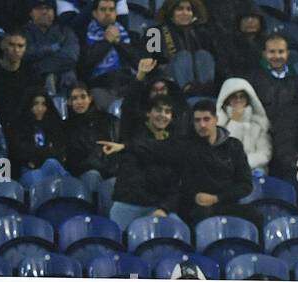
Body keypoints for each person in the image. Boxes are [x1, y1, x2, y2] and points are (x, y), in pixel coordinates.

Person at [99, 94, 183, 232]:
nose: (163, 115)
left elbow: (175, 184)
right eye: (158, 110)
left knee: (180, 232)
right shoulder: (133, 133)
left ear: (172, 117)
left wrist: (164, 208)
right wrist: (140, 77)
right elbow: (129, 106)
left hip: (157, 207)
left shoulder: (174, 144)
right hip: (128, 205)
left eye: (167, 112)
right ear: (148, 112)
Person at [177, 102, 259, 230]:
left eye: (206, 119)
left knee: (255, 215)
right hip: (199, 206)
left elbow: (245, 185)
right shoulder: (187, 148)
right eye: (197, 120)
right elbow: (185, 185)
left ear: (216, 119)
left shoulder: (234, 146)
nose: (202, 125)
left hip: (227, 203)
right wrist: (198, 197)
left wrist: (216, 198)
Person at [78, 0, 140, 108]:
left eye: (111, 9)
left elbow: (139, 63)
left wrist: (118, 43)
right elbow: (84, 63)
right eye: (103, 9)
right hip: (100, 85)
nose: (107, 13)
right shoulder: (83, 34)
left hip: (127, 83)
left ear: (116, 13)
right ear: (94, 13)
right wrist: (106, 42)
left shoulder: (130, 35)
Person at [61, 82, 118, 187]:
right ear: (69, 102)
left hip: (108, 171)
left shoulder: (108, 120)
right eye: (74, 98)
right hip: (79, 174)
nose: (79, 102)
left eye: (83, 97)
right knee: (92, 176)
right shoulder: (65, 127)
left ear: (90, 98)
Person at [0, 29, 40, 123]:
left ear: (25, 48)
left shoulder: (31, 73)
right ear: (3, 45)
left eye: (20, 46)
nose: (16, 50)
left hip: (24, 123)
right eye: (11, 45)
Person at [158, 0, 217, 95]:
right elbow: (151, 64)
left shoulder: (201, 34)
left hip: (201, 87)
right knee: (183, 56)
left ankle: (204, 90)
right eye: (180, 9)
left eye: (189, 9)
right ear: (170, 12)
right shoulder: (155, 32)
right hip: (169, 85)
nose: (185, 13)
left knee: (203, 55)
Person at [6, 89, 67, 177]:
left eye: (43, 104)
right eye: (36, 103)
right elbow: (19, 153)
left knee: (51, 164)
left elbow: (60, 153)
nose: (40, 108)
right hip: (27, 171)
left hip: (49, 167)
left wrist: (37, 156)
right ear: (29, 105)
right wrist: (48, 152)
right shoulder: (18, 127)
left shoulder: (54, 127)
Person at [216, 77, 272, 174]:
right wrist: (235, 122)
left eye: (242, 96)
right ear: (227, 99)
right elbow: (224, 153)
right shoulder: (218, 124)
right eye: (234, 96)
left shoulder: (259, 123)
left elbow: (265, 154)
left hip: (255, 173)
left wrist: (242, 164)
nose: (238, 100)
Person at [23, 1, 78, 96]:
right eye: (39, 8)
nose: (44, 12)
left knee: (69, 74)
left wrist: (40, 66)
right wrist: (51, 49)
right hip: (32, 82)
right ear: (30, 12)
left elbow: (70, 57)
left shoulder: (65, 31)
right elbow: (24, 54)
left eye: (48, 8)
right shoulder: (23, 32)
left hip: (64, 84)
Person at [248, 32, 298, 123]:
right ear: (264, 54)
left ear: (288, 53)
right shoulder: (253, 79)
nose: (277, 56)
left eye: (281, 52)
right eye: (272, 52)